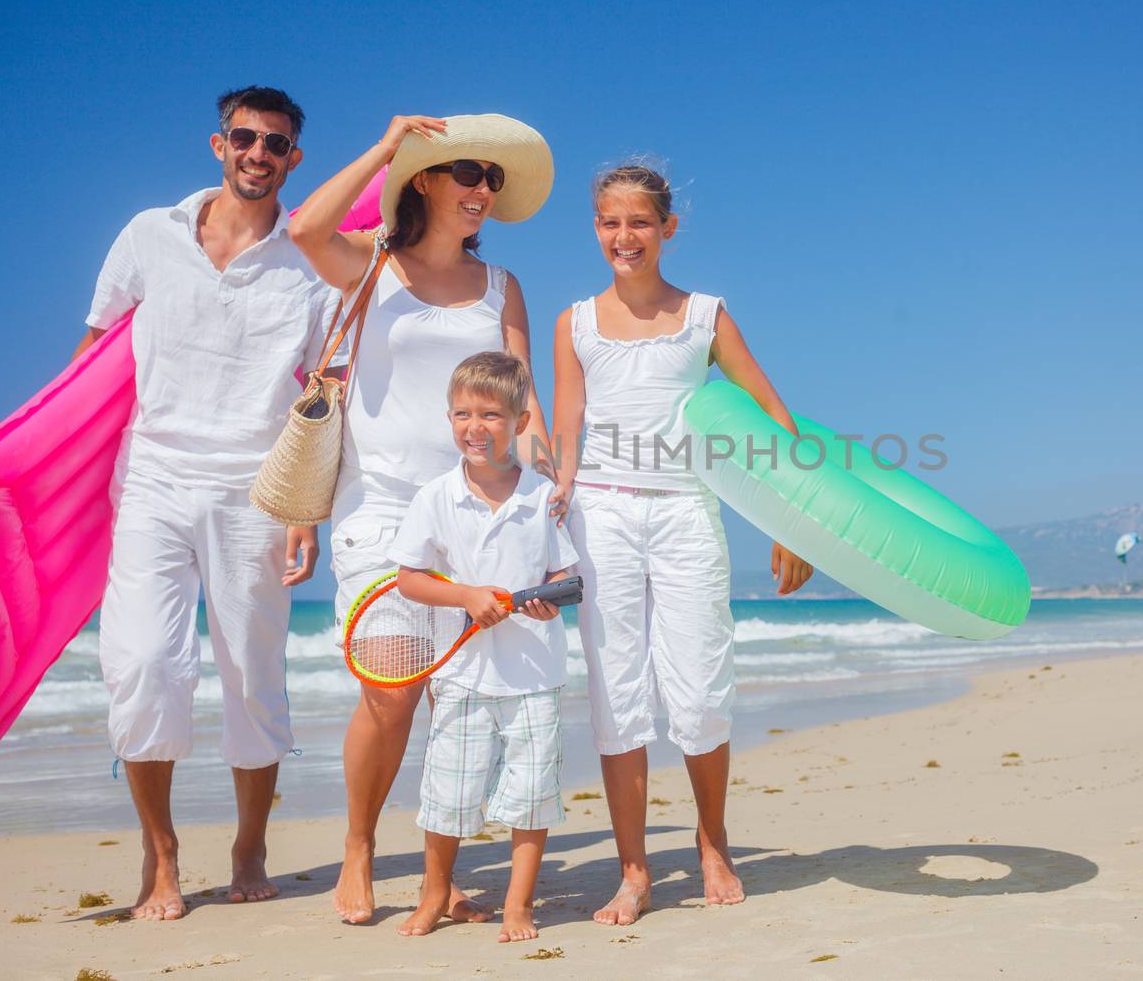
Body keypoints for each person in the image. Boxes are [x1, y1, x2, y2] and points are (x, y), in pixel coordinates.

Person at [75, 86, 337, 921]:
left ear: (294, 160)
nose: (257, 152)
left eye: (275, 143)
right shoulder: (149, 234)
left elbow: (324, 386)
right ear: (217, 145)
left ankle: (250, 840)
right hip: (149, 476)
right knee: (146, 666)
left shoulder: (308, 259)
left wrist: (307, 505)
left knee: (253, 678)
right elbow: (93, 348)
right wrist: (55, 470)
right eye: (244, 138)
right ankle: (161, 853)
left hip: (254, 489)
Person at [288, 113, 557, 924]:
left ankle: (442, 876)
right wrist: (383, 146)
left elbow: (525, 403)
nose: (482, 191)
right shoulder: (371, 264)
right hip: (381, 508)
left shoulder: (503, 287)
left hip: (477, 514)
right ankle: (361, 845)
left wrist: (549, 492)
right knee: (393, 688)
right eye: (468, 174)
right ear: (426, 182)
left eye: (492, 180)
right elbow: (305, 227)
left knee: (460, 701)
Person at [551, 163, 815, 926]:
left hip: (686, 513)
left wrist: (789, 519)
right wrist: (555, 499)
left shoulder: (705, 314)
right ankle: (634, 870)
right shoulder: (575, 323)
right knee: (618, 696)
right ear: (595, 227)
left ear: (667, 228)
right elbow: (567, 428)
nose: (623, 236)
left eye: (639, 222)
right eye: (609, 222)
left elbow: (771, 412)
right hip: (600, 517)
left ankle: (713, 841)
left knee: (700, 690)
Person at [388, 351, 577, 942]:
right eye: (463, 414)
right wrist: (467, 596)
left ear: (521, 422)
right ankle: (436, 892)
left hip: (533, 677)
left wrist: (548, 599)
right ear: (448, 419)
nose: (475, 427)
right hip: (462, 676)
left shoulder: (539, 497)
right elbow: (409, 578)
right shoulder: (436, 497)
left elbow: (565, 578)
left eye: (491, 415)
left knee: (530, 798)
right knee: (448, 795)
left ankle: (519, 906)